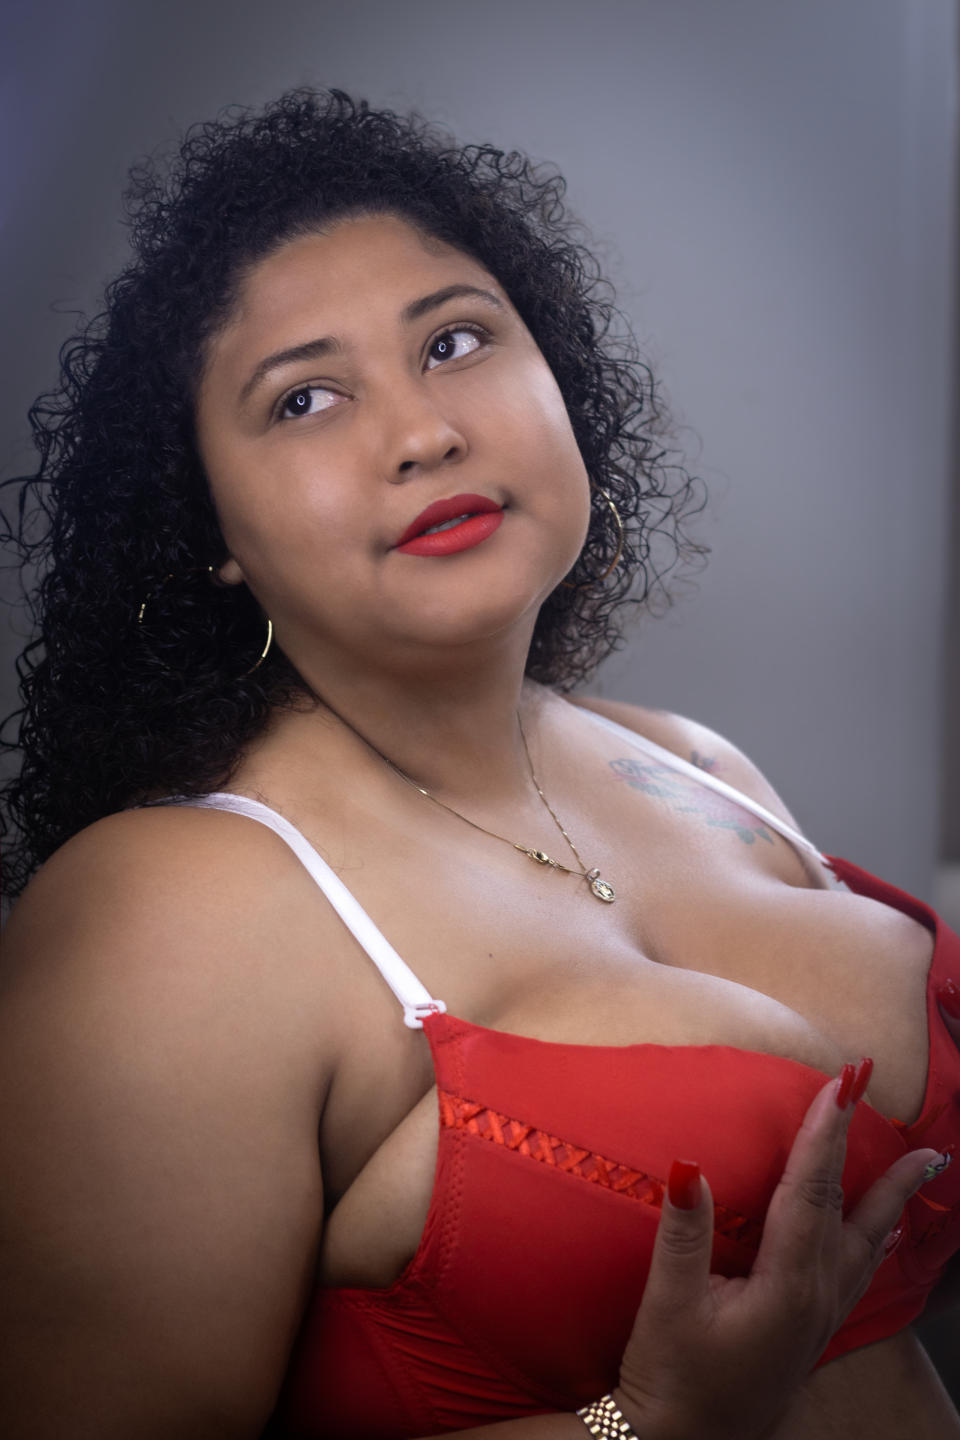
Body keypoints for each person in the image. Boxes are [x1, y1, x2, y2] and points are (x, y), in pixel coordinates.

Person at [0, 89, 957, 1439]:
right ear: (208, 530)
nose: (422, 432)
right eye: (305, 399)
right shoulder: (168, 913)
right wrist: (638, 1426)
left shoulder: (692, 763)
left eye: (455, 341)